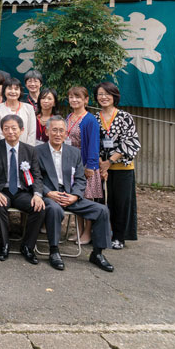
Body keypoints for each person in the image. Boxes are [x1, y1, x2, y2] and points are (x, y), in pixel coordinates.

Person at [36, 116, 115, 272]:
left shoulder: (74, 153)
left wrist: (75, 196)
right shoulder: (37, 152)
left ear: (66, 134)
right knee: (54, 209)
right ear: (47, 131)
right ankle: (54, 251)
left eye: (61, 131)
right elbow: (35, 178)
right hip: (49, 195)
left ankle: (97, 253)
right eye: (54, 130)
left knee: (101, 210)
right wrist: (48, 193)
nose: (58, 134)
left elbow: (80, 179)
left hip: (70, 195)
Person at [0, 114, 44, 264]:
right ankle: (4, 245)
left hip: (22, 191)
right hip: (2, 190)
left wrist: (37, 194)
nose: (10, 131)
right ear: (2, 131)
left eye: (14, 128)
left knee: (39, 208)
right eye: (6, 128)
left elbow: (37, 175)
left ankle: (28, 247)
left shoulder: (30, 150)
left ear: (21, 130)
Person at [95, 82, 141, 250]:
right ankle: (102, 233)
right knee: (101, 201)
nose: (104, 97)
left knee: (121, 202)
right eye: (100, 94)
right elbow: (94, 142)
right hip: (101, 168)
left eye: (107, 94)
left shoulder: (124, 117)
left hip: (121, 167)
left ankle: (119, 236)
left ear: (115, 96)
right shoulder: (95, 117)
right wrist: (101, 162)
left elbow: (131, 141)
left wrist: (110, 161)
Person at [66, 85, 101, 244]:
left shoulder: (90, 119)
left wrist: (91, 166)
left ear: (86, 100)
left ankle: (87, 232)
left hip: (86, 165)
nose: (74, 100)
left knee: (87, 199)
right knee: (75, 198)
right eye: (71, 97)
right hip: (71, 165)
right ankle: (78, 231)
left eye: (78, 97)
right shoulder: (68, 117)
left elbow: (94, 145)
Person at [0, 78, 37, 146]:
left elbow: (32, 132)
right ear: (4, 91)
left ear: (20, 91)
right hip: (5, 149)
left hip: (26, 149)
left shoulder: (29, 108)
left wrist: (28, 150)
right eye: (10, 88)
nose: (13, 91)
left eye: (16, 89)